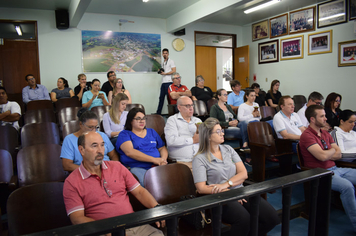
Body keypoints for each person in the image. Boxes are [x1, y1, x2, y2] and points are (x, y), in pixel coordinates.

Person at [63, 132, 164, 236]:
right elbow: (77, 219)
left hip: (134, 224)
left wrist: (156, 207)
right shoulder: (72, 182)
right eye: (94, 146)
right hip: (104, 231)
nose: (100, 150)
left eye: (102, 145)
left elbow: (139, 191)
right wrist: (103, 230)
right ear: (81, 150)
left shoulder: (117, 167)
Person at [192, 117, 280, 236]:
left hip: (239, 190)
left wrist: (226, 185)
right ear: (208, 136)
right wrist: (228, 192)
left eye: (222, 130)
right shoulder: (200, 158)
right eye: (218, 132)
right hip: (219, 198)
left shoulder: (228, 149)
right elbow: (201, 188)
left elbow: (243, 174)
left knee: (272, 218)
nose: (222, 133)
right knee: (244, 220)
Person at [299, 105, 356, 233]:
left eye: (325, 115)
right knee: (347, 187)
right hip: (320, 173)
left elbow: (339, 153)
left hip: (336, 169)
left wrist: (328, 152)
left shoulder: (325, 133)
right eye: (322, 116)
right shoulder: (307, 136)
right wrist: (330, 151)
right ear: (312, 119)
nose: (326, 118)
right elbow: (322, 156)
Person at [116, 107, 168, 186]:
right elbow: (130, 152)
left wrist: (163, 160)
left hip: (157, 165)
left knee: (171, 182)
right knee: (151, 185)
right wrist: (154, 159)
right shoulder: (124, 134)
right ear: (130, 121)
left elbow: (162, 148)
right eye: (138, 118)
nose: (142, 121)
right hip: (137, 167)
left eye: (144, 118)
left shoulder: (151, 132)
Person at [164, 96, 201, 169]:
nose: (191, 108)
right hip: (182, 162)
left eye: (192, 105)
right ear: (179, 108)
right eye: (187, 106)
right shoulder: (172, 120)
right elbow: (171, 141)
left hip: (200, 160)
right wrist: (192, 140)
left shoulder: (197, 121)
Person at [156, 48, 176, 115]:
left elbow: (174, 70)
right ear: (162, 54)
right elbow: (164, 71)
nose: (165, 54)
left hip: (169, 82)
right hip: (163, 82)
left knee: (169, 98)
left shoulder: (171, 61)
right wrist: (161, 71)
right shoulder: (163, 63)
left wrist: (165, 73)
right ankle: (158, 113)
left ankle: (172, 113)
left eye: (166, 53)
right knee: (161, 98)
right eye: (164, 53)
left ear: (168, 54)